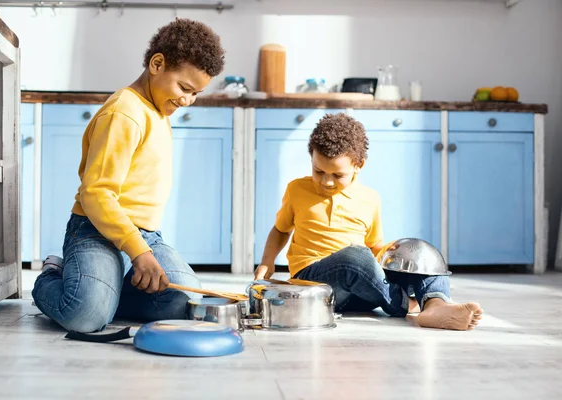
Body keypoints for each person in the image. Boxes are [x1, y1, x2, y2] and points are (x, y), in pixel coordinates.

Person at [32, 18, 226, 333]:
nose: (188, 100)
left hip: (145, 236)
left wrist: (141, 249)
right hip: (95, 230)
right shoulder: (123, 113)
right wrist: (138, 252)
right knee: (85, 316)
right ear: (157, 64)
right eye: (184, 88)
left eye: (196, 93)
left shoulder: (159, 108)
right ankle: (55, 275)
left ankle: (105, 289)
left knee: (184, 301)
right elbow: (96, 194)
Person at [254, 113, 483, 331]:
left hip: (362, 294)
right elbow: (280, 229)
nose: (327, 182)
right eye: (318, 171)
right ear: (311, 158)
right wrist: (267, 261)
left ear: (359, 165)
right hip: (315, 284)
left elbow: (375, 247)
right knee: (355, 256)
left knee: (419, 252)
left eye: (337, 175)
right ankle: (405, 305)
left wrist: (402, 257)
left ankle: (436, 304)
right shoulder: (297, 190)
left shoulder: (370, 198)